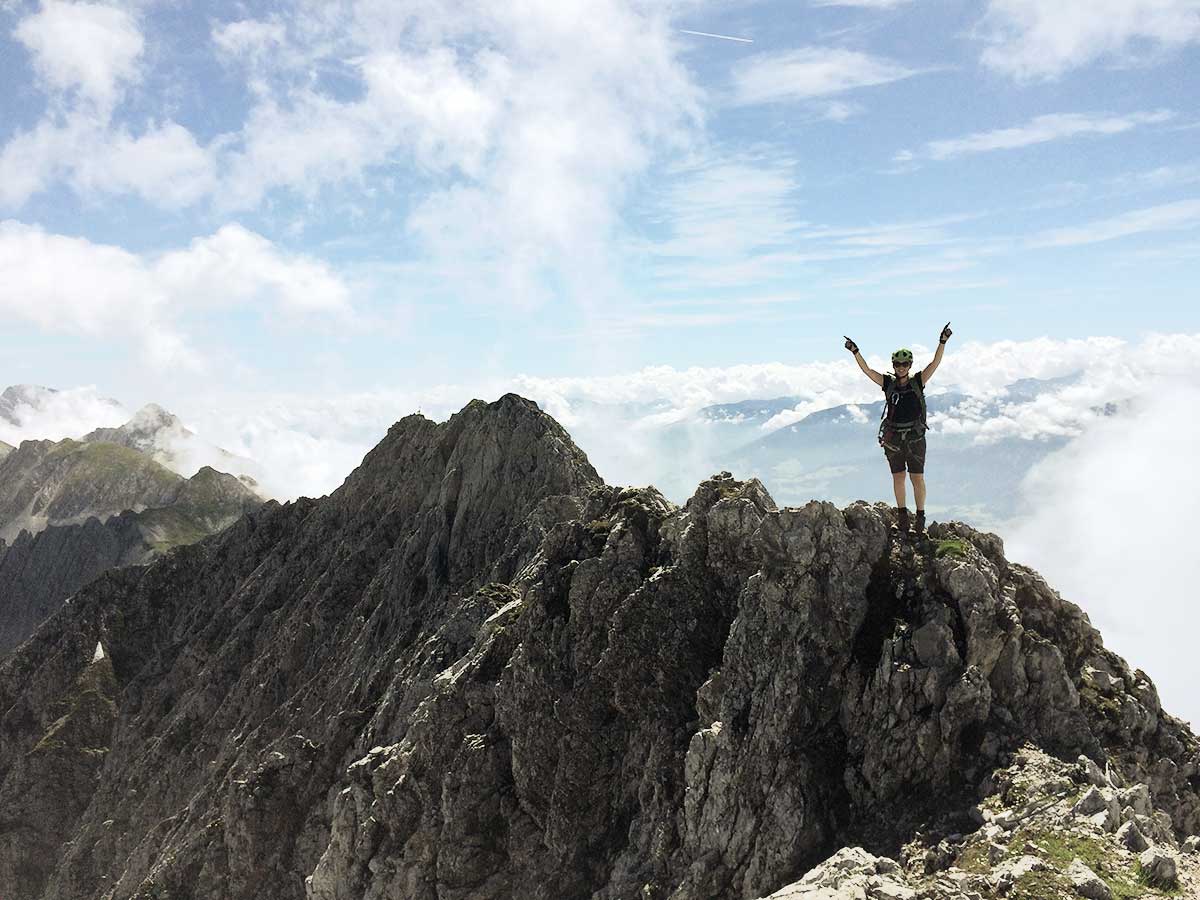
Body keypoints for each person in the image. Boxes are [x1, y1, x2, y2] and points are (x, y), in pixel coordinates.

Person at [842, 323, 953, 536]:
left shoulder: (918, 381)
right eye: (898, 364)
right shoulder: (888, 384)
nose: (901, 367)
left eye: (904, 363)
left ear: (910, 365)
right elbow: (867, 371)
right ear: (893, 365)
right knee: (899, 477)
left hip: (914, 437)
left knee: (917, 478)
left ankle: (919, 520)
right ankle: (903, 519)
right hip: (894, 439)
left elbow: (935, 363)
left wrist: (942, 342)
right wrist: (855, 352)